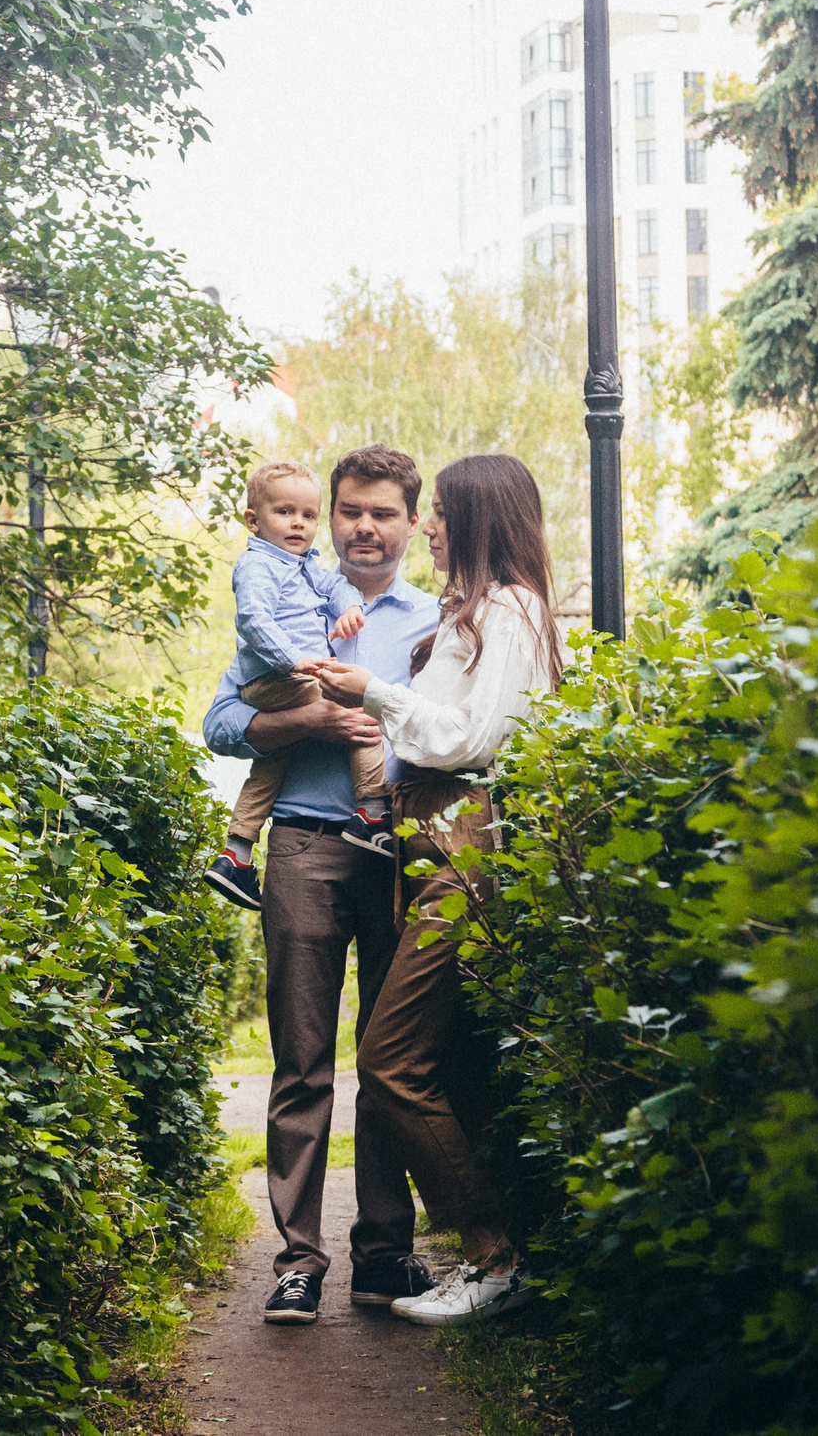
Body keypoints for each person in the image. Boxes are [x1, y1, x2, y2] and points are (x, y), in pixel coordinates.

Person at [301, 452, 563, 1329]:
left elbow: (465, 735)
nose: (431, 526)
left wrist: (373, 691)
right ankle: (510, 1254)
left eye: (443, 512)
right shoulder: (471, 613)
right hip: (424, 837)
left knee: (390, 1058)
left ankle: (497, 1257)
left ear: (479, 518)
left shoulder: (513, 610)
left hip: (462, 838)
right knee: (445, 1061)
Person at [202, 443, 441, 1327]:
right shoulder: (291, 597)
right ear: (330, 518)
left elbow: (456, 731)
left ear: (412, 522)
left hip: (398, 855)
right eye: (350, 511)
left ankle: (385, 1254)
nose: (364, 527)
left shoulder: (438, 620)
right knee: (302, 1062)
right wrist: (307, 715)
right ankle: (299, 1260)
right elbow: (222, 720)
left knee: (388, 1060)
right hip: (301, 847)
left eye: (383, 512)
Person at [204, 460, 390, 915]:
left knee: (275, 759)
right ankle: (371, 808)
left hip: (287, 678)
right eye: (286, 512)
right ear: (253, 520)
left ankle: (237, 852)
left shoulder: (307, 566)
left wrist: (348, 609)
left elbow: (338, 586)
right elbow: (252, 620)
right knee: (358, 709)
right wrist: (294, 661)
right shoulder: (258, 566)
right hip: (279, 677)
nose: (298, 524)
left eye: (307, 515)